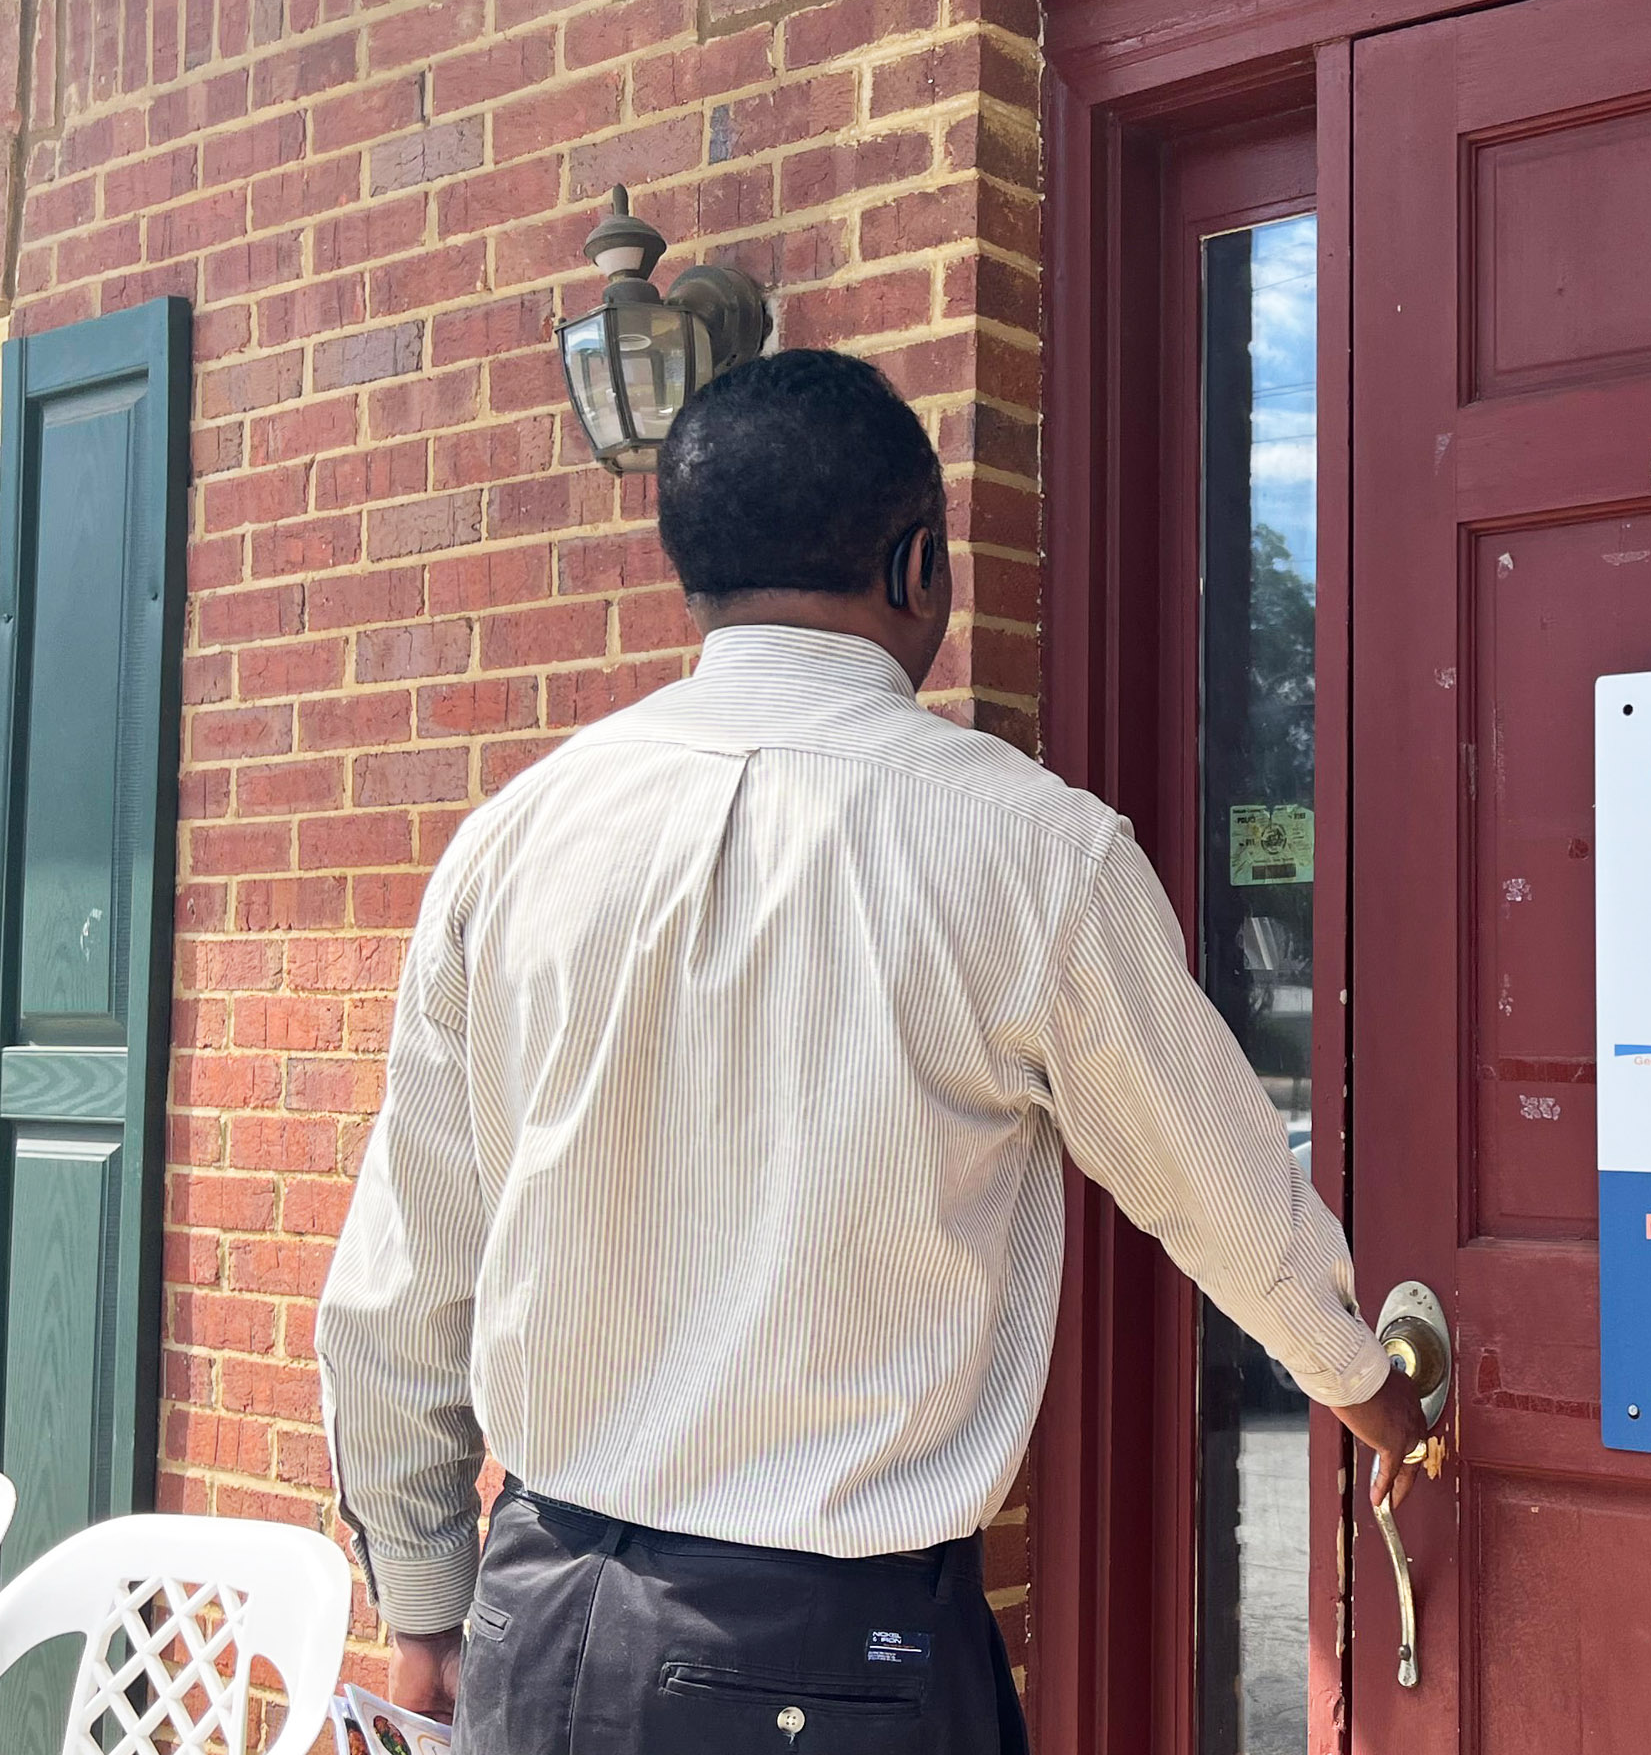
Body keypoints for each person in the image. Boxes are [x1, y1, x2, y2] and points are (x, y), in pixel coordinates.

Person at [318, 349, 1430, 1753]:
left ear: (694, 574)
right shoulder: (1031, 849)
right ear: (919, 568)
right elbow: (1222, 1197)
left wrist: (425, 1615)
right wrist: (1375, 1393)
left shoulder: (516, 839)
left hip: (540, 1623)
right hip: (829, 1656)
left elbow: (398, 1289)